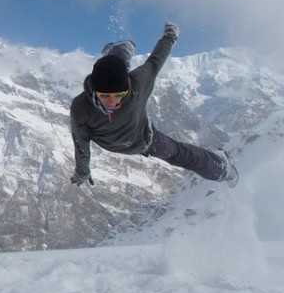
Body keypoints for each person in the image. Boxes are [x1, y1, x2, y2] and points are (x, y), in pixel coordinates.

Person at [69, 21, 239, 187]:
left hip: (146, 138)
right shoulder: (81, 107)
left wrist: (170, 36)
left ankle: (221, 168)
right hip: (115, 143)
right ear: (94, 90)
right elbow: (81, 142)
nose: (113, 102)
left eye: (119, 95)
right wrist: (83, 170)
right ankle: (119, 52)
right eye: (105, 96)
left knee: (181, 154)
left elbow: (156, 60)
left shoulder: (137, 84)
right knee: (114, 67)